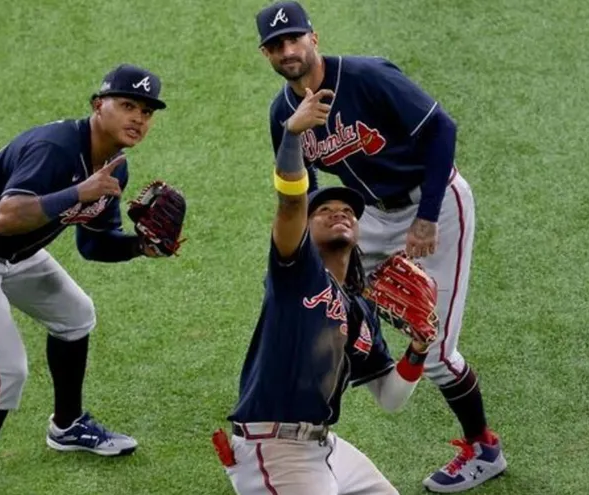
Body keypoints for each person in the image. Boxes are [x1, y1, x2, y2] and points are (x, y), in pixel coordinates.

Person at [254, 2, 506, 493]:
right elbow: (297, 185)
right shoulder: (283, 112)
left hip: (435, 202)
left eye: (294, 39)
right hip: (369, 214)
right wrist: (301, 256)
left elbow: (442, 129)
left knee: (433, 347)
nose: (288, 51)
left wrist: (428, 217)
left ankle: (483, 447)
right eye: (276, 45)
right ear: (265, 53)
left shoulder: (366, 77)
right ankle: (323, 395)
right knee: (328, 302)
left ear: (314, 38)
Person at [0, 63, 168, 495]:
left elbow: (93, 244)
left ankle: (67, 426)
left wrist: (140, 246)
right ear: (97, 106)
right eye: (127, 105)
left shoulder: (114, 169)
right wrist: (77, 193)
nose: (138, 118)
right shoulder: (55, 147)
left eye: (146, 111)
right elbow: (6, 218)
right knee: (5, 372)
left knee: (75, 315)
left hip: (15, 251)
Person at [215, 83, 433, 495]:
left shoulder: (361, 310)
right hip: (273, 447)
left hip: (323, 445)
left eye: (348, 211)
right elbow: (291, 202)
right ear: (306, 229)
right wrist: (293, 135)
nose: (339, 215)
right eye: (325, 211)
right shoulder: (295, 271)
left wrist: (418, 350)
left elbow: (390, 398)